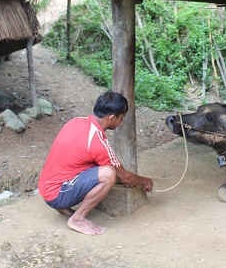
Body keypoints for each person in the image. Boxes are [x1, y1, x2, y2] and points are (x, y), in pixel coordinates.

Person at [37, 91, 154, 235]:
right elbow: (125, 177)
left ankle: (63, 207)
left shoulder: (76, 121)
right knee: (108, 174)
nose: (121, 122)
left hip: (46, 188)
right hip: (57, 194)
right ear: (111, 118)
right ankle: (77, 219)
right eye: (121, 118)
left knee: (97, 166)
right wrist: (145, 181)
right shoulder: (97, 141)